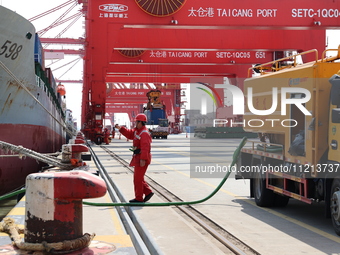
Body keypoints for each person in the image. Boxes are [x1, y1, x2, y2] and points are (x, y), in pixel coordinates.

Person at [115, 114, 154, 203]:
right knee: (139, 178)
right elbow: (129, 134)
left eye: (136, 121)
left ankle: (139, 198)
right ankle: (148, 192)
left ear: (141, 122)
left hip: (142, 158)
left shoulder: (144, 133)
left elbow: (145, 147)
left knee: (137, 179)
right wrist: (120, 128)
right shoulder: (137, 131)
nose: (135, 123)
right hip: (138, 157)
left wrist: (143, 159)